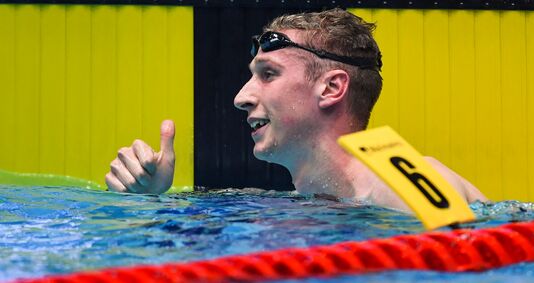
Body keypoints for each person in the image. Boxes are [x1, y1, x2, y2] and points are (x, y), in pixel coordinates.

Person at [105, 8, 487, 211]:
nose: (241, 97)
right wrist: (150, 203)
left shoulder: (400, 179)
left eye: (268, 74)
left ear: (332, 87)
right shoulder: (313, 203)